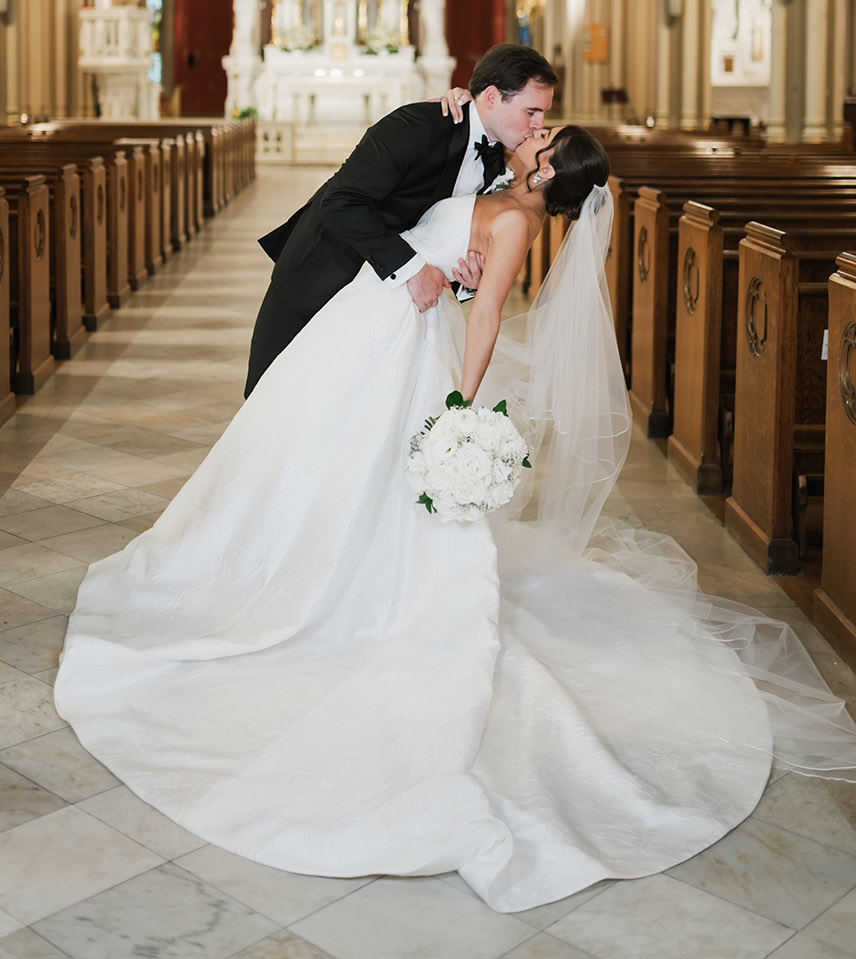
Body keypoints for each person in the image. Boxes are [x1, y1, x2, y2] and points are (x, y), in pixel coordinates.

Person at [54, 121, 856, 915]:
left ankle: (340, 588)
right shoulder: (498, 190)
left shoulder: (517, 217)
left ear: (546, 175)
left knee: (363, 477)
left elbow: (485, 315)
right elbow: (450, 250)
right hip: (368, 321)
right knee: (307, 458)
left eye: (544, 139)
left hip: (407, 351)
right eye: (536, 123)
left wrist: (456, 411)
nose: (534, 135)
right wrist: (458, 258)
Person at [244, 42, 557, 396]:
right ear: (490, 97)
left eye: (544, 114)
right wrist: (413, 268)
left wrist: (466, 279)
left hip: (382, 312)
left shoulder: (496, 163)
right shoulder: (416, 126)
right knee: (273, 404)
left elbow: (437, 231)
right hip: (321, 281)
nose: (538, 124)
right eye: (531, 111)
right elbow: (341, 203)